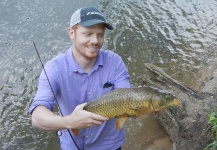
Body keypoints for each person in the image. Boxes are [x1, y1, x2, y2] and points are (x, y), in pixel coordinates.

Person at [29, 6, 131, 150]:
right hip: (71, 145)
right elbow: (37, 117)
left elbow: (127, 95)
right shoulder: (54, 68)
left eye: (100, 34)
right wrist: (69, 122)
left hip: (110, 144)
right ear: (71, 33)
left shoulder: (115, 62)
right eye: (88, 34)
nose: (95, 41)